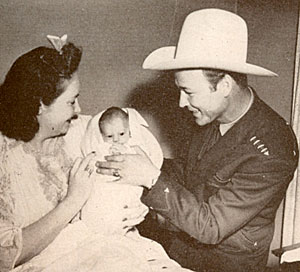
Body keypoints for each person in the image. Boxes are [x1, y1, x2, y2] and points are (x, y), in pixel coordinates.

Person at [96, 8, 299, 272]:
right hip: (179, 250)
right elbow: (191, 171)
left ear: (224, 86)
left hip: (225, 265)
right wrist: (139, 162)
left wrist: (150, 177)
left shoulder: (274, 146)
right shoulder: (209, 115)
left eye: (188, 91)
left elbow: (211, 226)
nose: (182, 103)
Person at [0, 35, 192, 272]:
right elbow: (5, 256)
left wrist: (142, 199)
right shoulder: (5, 158)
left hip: (115, 244)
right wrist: (73, 201)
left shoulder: (82, 129)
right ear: (40, 105)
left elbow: (135, 144)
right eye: (71, 101)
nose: (79, 109)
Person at [80, 106, 163, 235]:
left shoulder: (134, 148)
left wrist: (126, 152)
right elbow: (94, 162)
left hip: (126, 188)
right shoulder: (101, 148)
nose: (116, 139)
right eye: (109, 136)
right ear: (102, 136)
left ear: (130, 132)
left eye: (121, 134)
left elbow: (147, 166)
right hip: (105, 188)